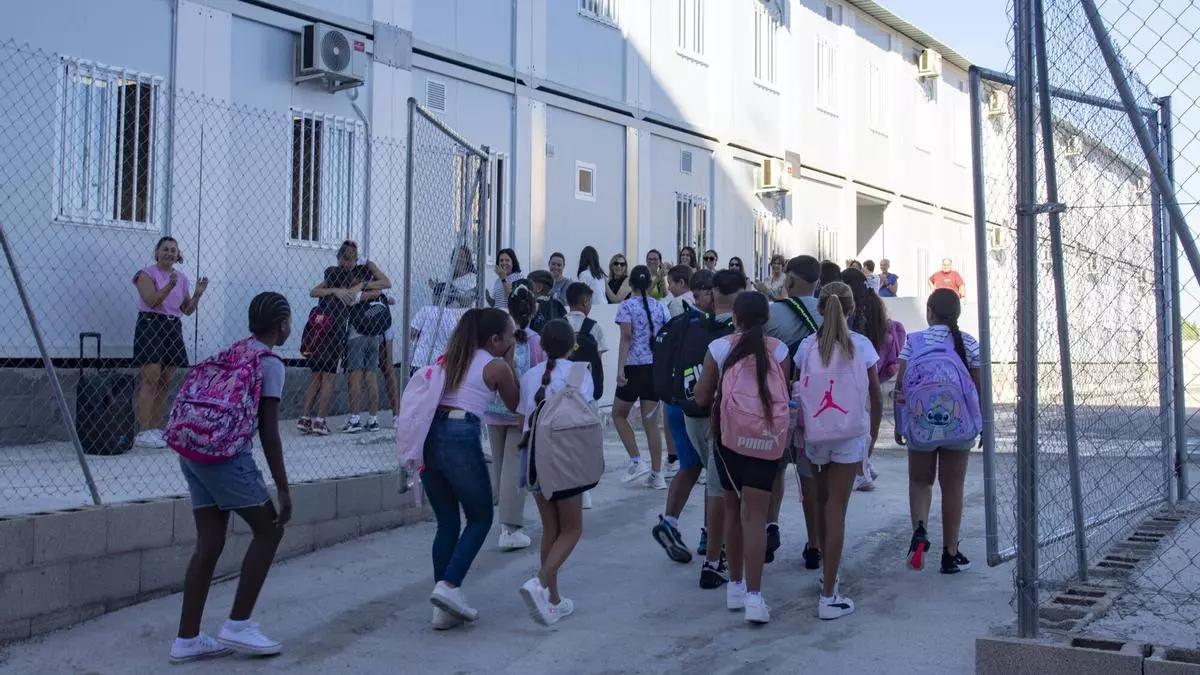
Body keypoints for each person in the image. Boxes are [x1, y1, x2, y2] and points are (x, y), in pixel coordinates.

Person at [169, 292, 291, 663]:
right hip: (225, 457)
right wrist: (283, 489)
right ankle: (239, 624)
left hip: (192, 451)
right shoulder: (270, 363)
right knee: (270, 530)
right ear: (282, 325)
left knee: (209, 543)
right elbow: (269, 432)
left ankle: (187, 639)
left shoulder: (235, 351)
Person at [693, 291, 791, 625]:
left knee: (732, 511)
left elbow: (702, 396)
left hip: (728, 441)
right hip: (766, 441)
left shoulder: (719, 348)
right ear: (767, 318)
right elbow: (782, 395)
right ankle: (754, 597)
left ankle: (734, 586)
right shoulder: (779, 350)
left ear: (734, 316)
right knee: (756, 517)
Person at [424, 308, 519, 630]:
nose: (513, 341)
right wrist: (510, 361)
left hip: (428, 434)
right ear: (495, 340)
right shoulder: (496, 366)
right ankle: (449, 585)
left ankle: (442, 609)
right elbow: (514, 403)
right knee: (480, 517)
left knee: (447, 522)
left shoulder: (452, 357)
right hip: (459, 434)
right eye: (510, 337)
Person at [793, 281, 883, 621]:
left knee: (819, 502)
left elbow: (799, 389)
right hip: (849, 434)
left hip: (815, 434)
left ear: (820, 308)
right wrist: (871, 438)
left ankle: (825, 569)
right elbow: (875, 395)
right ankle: (829, 592)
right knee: (837, 509)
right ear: (852, 308)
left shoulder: (806, 346)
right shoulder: (861, 345)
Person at [651, 269, 734, 592]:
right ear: (708, 293)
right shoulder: (715, 327)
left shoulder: (682, 321)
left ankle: (671, 521)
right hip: (701, 407)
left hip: (677, 404)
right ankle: (711, 539)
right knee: (713, 475)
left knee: (691, 466)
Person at [517, 319, 596, 626]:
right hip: (565, 456)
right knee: (572, 529)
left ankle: (552, 600)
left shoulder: (529, 376)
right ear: (572, 345)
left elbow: (523, 417)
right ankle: (539, 583)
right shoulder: (579, 373)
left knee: (551, 529)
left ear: (541, 345)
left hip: (532, 456)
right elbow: (586, 413)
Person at [897, 289, 981, 575]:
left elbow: (902, 387)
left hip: (921, 426)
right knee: (952, 486)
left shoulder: (913, 341)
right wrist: (980, 424)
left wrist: (901, 425)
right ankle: (950, 553)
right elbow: (978, 388)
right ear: (957, 314)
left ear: (929, 312)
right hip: (959, 426)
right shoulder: (968, 343)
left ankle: (920, 531)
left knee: (920, 481)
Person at [764, 255, 824, 569]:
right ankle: (814, 545)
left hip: (778, 402)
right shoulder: (830, 314)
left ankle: (770, 525)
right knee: (809, 475)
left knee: (774, 468)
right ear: (817, 282)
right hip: (818, 407)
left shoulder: (772, 313)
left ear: (788, 280)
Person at [133, 237, 208, 448]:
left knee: (165, 380)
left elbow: (187, 310)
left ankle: (156, 429)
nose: (169, 253)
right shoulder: (145, 274)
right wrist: (169, 286)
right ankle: (143, 431)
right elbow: (152, 301)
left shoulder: (181, 278)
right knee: (151, 378)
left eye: (173, 250)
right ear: (157, 252)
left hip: (172, 327)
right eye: (165, 249)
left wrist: (198, 294)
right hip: (151, 325)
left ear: (178, 255)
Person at [486, 285, 545, 552]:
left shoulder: (499, 337)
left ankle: (501, 515)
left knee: (499, 464)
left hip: (494, 408)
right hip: (521, 411)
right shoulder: (535, 341)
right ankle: (510, 528)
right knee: (514, 466)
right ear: (533, 310)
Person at [842, 267, 900, 491]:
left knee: (854, 420)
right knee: (865, 417)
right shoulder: (874, 306)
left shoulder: (850, 312)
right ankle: (865, 462)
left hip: (852, 371)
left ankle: (860, 469)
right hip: (872, 368)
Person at [298, 241, 365, 436]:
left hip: (318, 329)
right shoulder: (352, 280)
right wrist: (357, 286)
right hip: (334, 333)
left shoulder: (331, 275)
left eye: (351, 259)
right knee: (328, 378)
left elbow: (313, 291)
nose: (350, 263)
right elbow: (375, 285)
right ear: (347, 260)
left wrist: (332, 290)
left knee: (315, 376)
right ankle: (320, 421)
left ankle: (305, 418)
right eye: (350, 259)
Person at [613, 265, 670, 489]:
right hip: (654, 368)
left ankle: (637, 461)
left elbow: (626, 337)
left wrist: (620, 368)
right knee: (651, 423)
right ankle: (657, 474)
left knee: (618, 415)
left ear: (631, 284)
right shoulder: (660, 306)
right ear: (649, 284)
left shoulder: (626, 306)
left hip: (633, 367)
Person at [565, 281, 607, 510]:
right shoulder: (594, 327)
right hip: (587, 393)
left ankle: (568, 483)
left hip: (563, 392)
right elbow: (598, 360)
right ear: (586, 301)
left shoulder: (558, 325)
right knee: (586, 438)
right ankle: (585, 491)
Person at [342, 254, 392, 434]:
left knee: (355, 376)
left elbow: (348, 299)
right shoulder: (378, 289)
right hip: (375, 336)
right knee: (371, 376)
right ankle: (373, 419)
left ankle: (355, 419)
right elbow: (385, 289)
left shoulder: (355, 291)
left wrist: (359, 288)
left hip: (357, 336)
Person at [408, 284, 468, 375]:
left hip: (420, 361)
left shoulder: (426, 310)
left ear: (435, 296)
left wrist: (418, 340)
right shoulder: (452, 316)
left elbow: (412, 332)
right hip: (440, 363)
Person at [527, 269, 567, 334]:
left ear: (539, 287)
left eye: (528, 285)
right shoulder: (559, 305)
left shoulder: (532, 306)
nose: (526, 288)